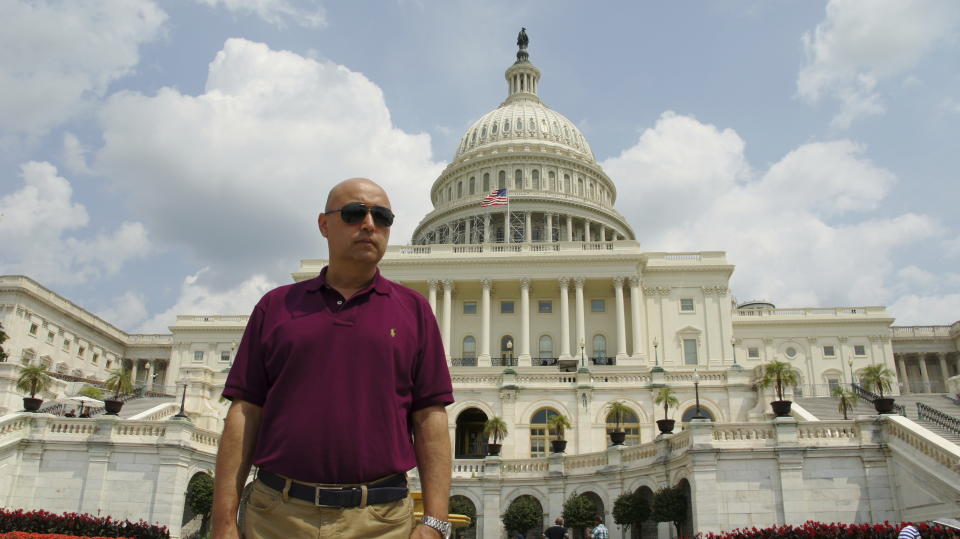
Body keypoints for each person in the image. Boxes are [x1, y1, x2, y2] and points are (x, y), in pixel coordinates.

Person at [212, 178, 455, 539]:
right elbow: (245, 414)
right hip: (278, 516)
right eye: (355, 213)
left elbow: (430, 417)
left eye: (383, 217)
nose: (370, 224)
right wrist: (224, 522)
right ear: (324, 224)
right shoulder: (276, 306)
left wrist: (435, 522)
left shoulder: (414, 310)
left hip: (381, 520)